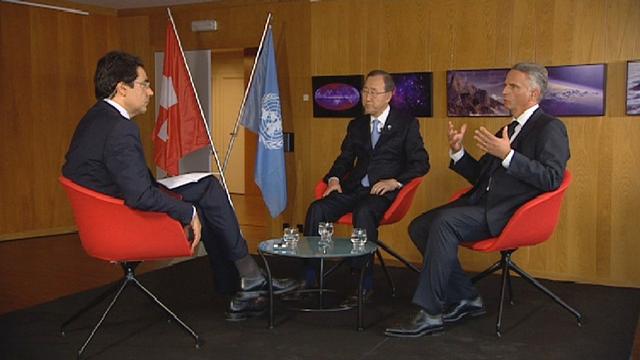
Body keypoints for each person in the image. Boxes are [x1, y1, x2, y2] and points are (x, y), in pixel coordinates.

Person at [62, 51, 297, 321]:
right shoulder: (119, 128)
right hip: (125, 217)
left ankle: (243, 280)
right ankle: (247, 277)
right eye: (145, 84)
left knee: (208, 187)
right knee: (207, 195)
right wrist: (188, 212)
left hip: (107, 212)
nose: (150, 92)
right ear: (122, 89)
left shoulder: (94, 118)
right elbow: (140, 196)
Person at [384, 63, 570, 338]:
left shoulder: (550, 128)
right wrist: (458, 152)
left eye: (512, 86)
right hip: (481, 205)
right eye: (506, 85)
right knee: (420, 225)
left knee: (445, 223)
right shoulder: (508, 128)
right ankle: (466, 297)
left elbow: (552, 178)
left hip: (510, 214)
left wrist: (508, 156)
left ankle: (431, 312)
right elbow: (480, 176)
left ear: (532, 94)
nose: (504, 91)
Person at [304, 70, 430, 306]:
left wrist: (396, 181)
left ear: (389, 96)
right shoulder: (357, 124)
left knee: (364, 212)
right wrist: (333, 179)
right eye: (365, 91)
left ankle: (364, 281)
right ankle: (311, 276)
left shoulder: (406, 124)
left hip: (383, 193)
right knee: (317, 209)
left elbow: (421, 163)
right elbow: (344, 159)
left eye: (373, 92)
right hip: (353, 189)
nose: (367, 97)